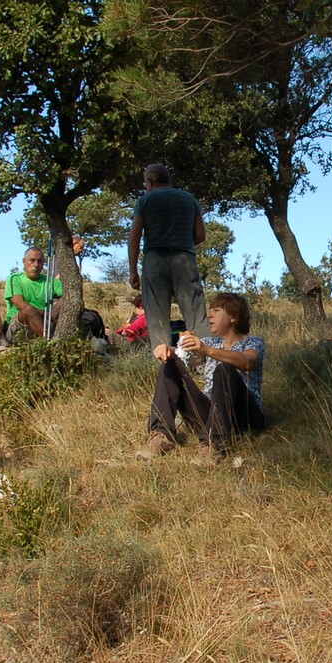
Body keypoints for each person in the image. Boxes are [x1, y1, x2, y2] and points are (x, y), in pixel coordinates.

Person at [137, 292, 265, 464]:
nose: (209, 314)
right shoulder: (210, 342)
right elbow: (185, 356)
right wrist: (168, 351)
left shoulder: (253, 342)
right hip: (212, 414)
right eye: (209, 310)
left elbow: (249, 361)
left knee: (225, 369)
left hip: (245, 416)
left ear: (233, 317)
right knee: (170, 365)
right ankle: (161, 435)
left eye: (216, 311)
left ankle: (214, 445)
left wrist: (206, 351)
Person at [128, 163, 210, 356]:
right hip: (185, 259)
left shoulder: (145, 201)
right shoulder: (189, 199)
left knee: (157, 315)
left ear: (150, 182)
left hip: (155, 259)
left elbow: (135, 237)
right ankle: (206, 358)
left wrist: (133, 271)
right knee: (196, 312)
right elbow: (200, 235)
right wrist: (183, 242)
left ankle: (163, 360)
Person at [4, 247, 63, 340]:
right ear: (24, 261)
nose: (36, 265)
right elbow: (19, 303)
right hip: (19, 325)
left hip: (44, 321)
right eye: (32, 260)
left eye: (39, 261)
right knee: (28, 310)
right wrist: (43, 313)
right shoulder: (15, 278)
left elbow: (68, 295)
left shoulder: (51, 281)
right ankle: (49, 342)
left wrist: (54, 311)